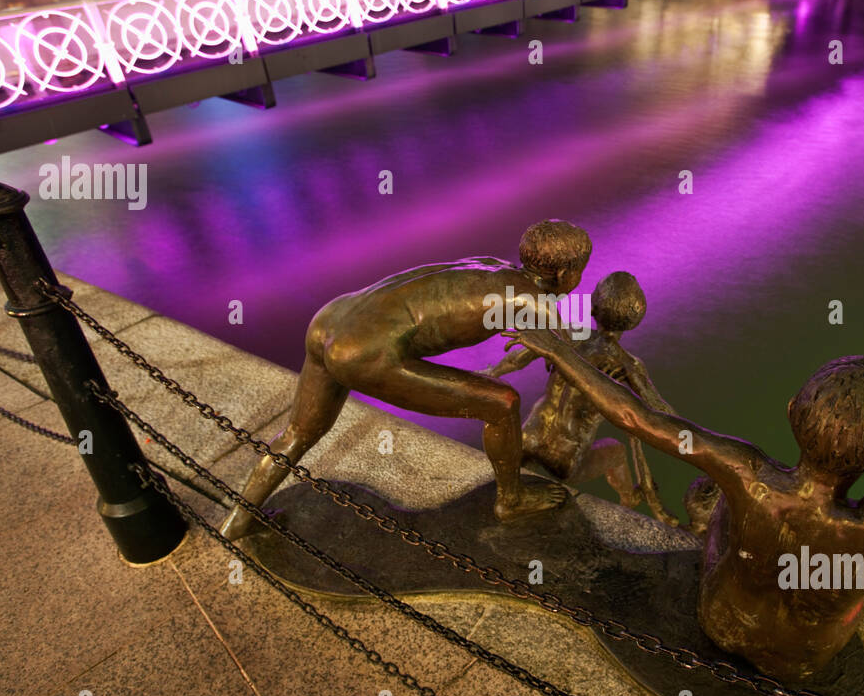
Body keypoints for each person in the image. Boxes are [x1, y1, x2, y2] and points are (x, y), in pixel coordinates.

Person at [504, 206, 864, 682]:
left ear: (793, 413)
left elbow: (634, 418)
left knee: (714, 499)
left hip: (719, 621)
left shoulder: (747, 472)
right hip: (802, 662)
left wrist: (555, 347)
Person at [220, 219, 592, 539]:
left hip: (332, 319)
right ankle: (510, 500)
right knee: (503, 403)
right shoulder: (530, 300)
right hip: (366, 352)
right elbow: (579, 359)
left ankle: (238, 519)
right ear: (564, 274)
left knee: (297, 434)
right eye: (581, 270)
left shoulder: (493, 265)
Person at [483, 271, 678, 525]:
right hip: (565, 457)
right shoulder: (627, 364)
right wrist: (634, 388)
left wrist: (490, 373)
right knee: (617, 451)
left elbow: (516, 360)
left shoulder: (570, 334)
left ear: (593, 309)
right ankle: (629, 497)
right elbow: (665, 416)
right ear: (633, 321)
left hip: (527, 439)